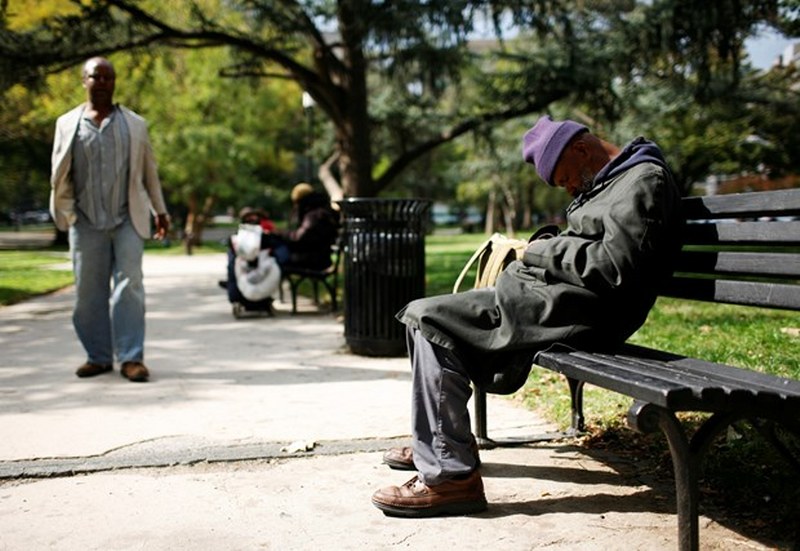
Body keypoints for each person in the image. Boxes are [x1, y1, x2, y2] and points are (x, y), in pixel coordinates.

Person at [371, 116, 683, 517]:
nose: (568, 188)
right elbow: (588, 248)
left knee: (428, 319)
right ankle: (441, 444)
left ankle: (451, 478)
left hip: (584, 313)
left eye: (564, 178)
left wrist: (537, 252)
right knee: (427, 316)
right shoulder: (612, 180)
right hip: (551, 300)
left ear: (581, 149)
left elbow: (614, 268)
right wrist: (545, 245)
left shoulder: (642, 181)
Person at [50, 57, 170, 383]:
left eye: (108, 77)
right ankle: (98, 356)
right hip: (85, 220)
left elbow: (149, 173)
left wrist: (160, 210)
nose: (102, 82)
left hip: (126, 217)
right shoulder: (66, 124)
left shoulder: (134, 124)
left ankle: (131, 358)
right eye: (95, 76)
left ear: (114, 82)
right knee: (88, 293)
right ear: (84, 81)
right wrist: (68, 213)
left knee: (130, 286)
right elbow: (60, 175)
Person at [267, 183, 340, 271]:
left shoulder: (314, 215)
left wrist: (278, 233)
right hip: (317, 258)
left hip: (313, 260)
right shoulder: (320, 210)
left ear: (299, 200)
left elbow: (299, 237)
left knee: (273, 254)